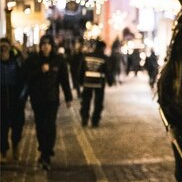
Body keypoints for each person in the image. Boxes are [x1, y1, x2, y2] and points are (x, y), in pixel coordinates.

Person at [25, 34, 73, 170]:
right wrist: (40, 71)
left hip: (52, 99)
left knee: (50, 125)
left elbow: (64, 80)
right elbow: (27, 76)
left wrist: (68, 97)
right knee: (40, 125)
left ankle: (47, 152)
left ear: (52, 46)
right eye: (43, 44)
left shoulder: (58, 60)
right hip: (37, 99)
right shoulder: (34, 60)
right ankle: (43, 151)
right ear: (40, 46)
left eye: (48, 44)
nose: (45, 47)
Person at [0, 38, 27, 162]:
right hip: (1, 98)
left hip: (15, 98)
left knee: (17, 126)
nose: (3, 49)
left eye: (5, 46)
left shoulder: (16, 61)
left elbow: (25, 76)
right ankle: (3, 151)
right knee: (2, 127)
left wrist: (22, 97)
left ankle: (15, 144)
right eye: (1, 47)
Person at [79, 40, 113, 127]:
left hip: (87, 82)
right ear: (103, 48)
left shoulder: (86, 56)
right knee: (98, 103)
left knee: (85, 101)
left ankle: (84, 119)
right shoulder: (104, 58)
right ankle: (95, 121)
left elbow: (81, 69)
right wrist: (110, 81)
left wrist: (79, 81)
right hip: (99, 83)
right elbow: (108, 71)